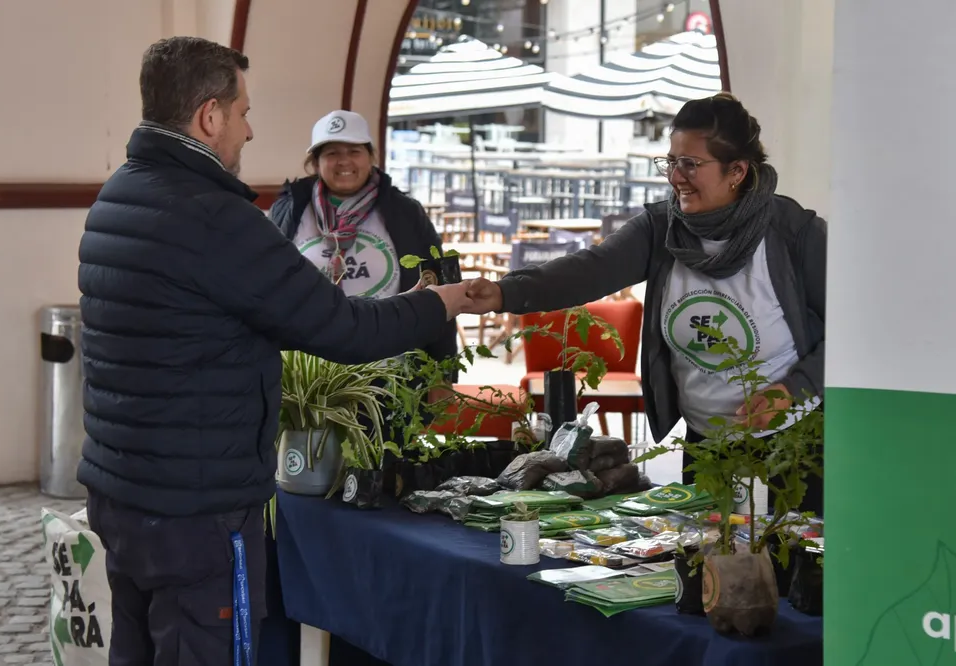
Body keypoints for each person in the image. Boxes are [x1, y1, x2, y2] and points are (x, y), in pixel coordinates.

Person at [76, 36, 472, 666]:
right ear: (209, 116)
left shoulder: (118, 195)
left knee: (137, 651)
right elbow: (342, 329)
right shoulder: (215, 217)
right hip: (198, 511)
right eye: (243, 112)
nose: (250, 130)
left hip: (124, 491)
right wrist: (439, 303)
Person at [466, 93, 826, 514]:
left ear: (737, 171)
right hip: (706, 447)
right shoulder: (662, 228)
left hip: (791, 447)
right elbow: (591, 269)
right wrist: (504, 293)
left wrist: (793, 391)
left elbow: (852, 337)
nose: (675, 177)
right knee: (712, 551)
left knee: (788, 553)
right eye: (670, 162)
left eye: (690, 163)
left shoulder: (794, 235)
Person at [268, 109, 457, 393]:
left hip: (391, 376)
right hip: (308, 382)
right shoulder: (289, 210)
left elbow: (442, 288)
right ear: (315, 162)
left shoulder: (406, 213)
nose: (344, 161)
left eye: (354, 151)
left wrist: (443, 374)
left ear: (371, 157)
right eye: (332, 153)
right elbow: (267, 285)